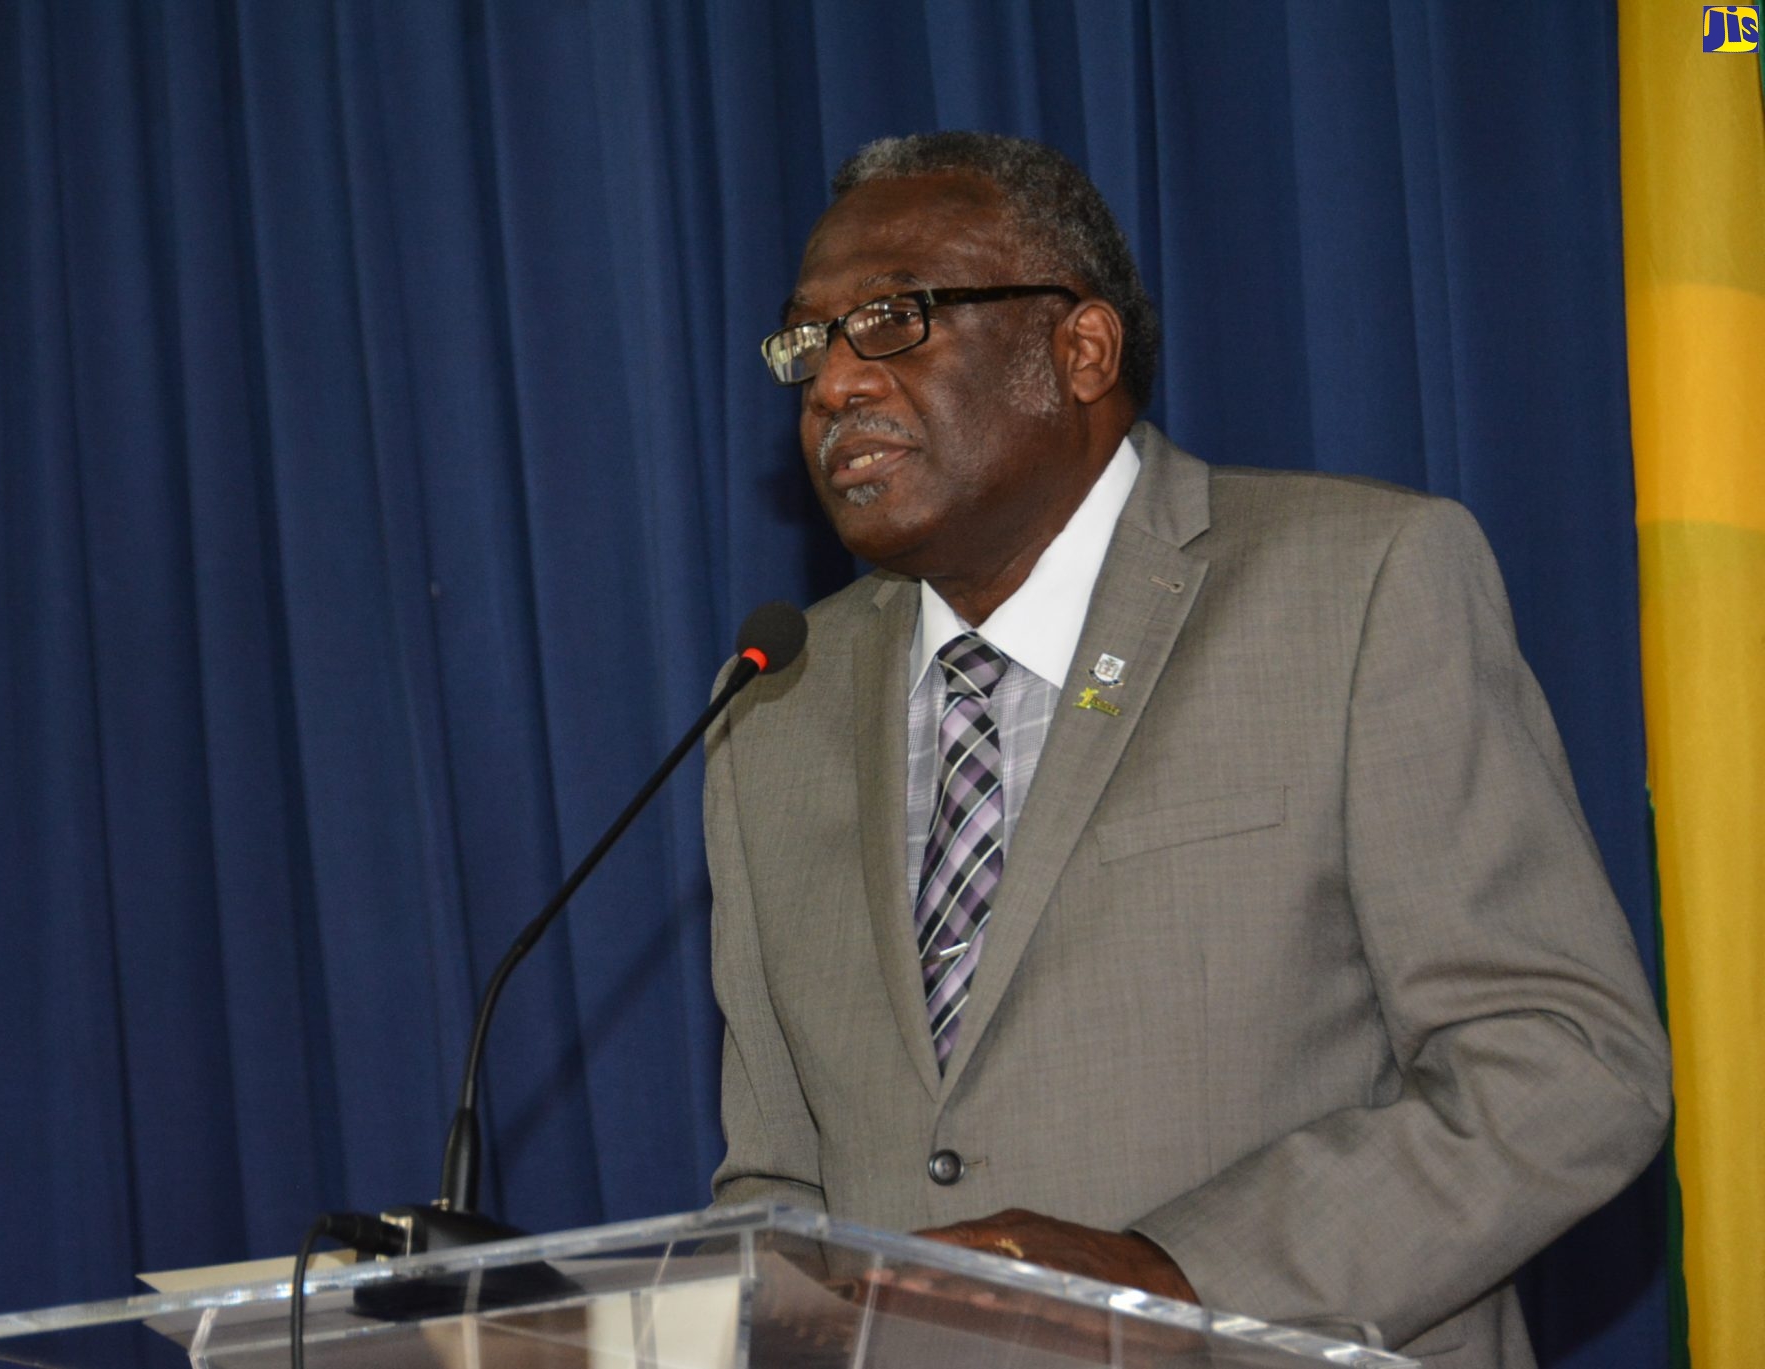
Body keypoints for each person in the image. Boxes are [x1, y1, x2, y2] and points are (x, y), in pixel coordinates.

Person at [703, 132, 1670, 1367]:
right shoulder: (771, 709)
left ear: (1078, 348)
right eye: (808, 342)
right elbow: (775, 1183)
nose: (831, 384)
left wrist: (1179, 1275)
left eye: (891, 320)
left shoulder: (1355, 587)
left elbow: (1565, 1066)